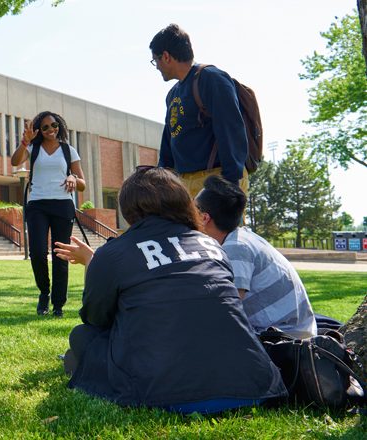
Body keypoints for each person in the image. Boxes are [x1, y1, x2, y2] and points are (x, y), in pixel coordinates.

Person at [53, 167, 286, 414]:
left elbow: (95, 319)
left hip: (162, 390)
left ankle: (83, 367)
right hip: (252, 384)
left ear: (128, 207)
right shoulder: (213, 245)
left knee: (82, 335)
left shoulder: (113, 253)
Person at [196, 175, 321, 339]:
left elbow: (229, 308)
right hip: (289, 332)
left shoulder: (235, 248)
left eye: (193, 209)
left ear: (204, 218)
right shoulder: (242, 237)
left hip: (286, 342)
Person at [150, 24, 249, 196]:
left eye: (155, 60)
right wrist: (161, 183)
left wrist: (229, 188)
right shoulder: (172, 94)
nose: (156, 66)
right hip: (184, 184)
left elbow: (231, 132)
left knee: (218, 225)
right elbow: (168, 145)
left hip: (216, 180)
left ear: (166, 56)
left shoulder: (211, 79)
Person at [10, 111, 85, 317]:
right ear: (38, 131)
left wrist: (72, 177)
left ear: (59, 126)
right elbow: (14, 162)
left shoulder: (69, 150)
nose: (51, 130)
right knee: (37, 252)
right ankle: (44, 292)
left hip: (63, 205)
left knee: (60, 254)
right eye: (45, 127)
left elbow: (82, 184)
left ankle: (58, 304)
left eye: (54, 125)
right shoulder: (33, 148)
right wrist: (25, 142)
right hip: (37, 205)